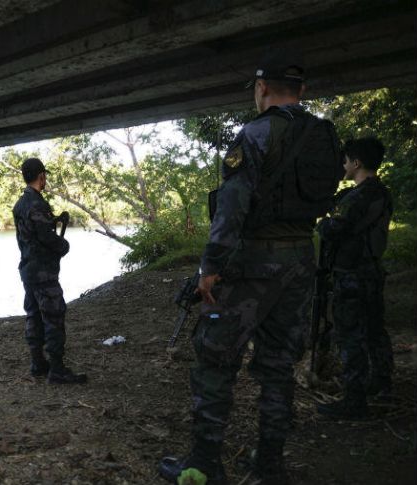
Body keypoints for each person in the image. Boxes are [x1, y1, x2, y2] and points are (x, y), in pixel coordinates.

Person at [159, 49, 343, 485]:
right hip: (301, 257)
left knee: (215, 360)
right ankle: (269, 464)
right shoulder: (326, 136)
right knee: (278, 365)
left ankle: (203, 466)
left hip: (253, 263)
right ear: (302, 90)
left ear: (262, 89)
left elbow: (232, 207)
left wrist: (210, 267)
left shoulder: (257, 134)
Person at [315, 137, 394, 420]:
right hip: (371, 271)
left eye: (346, 160)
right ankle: (382, 382)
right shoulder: (380, 193)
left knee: (350, 335)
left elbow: (334, 228)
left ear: (356, 162)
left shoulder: (358, 197)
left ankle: (354, 400)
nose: (344, 165)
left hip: (352, 275)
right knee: (374, 329)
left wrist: (323, 223)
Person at [12, 157, 87, 385]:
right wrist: (63, 246)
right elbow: (45, 236)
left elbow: (34, 233)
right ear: (41, 176)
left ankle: (38, 363)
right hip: (43, 272)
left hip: (28, 270)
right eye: (44, 175)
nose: (45, 179)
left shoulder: (20, 204)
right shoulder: (37, 204)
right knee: (53, 316)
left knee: (34, 314)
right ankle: (56, 369)